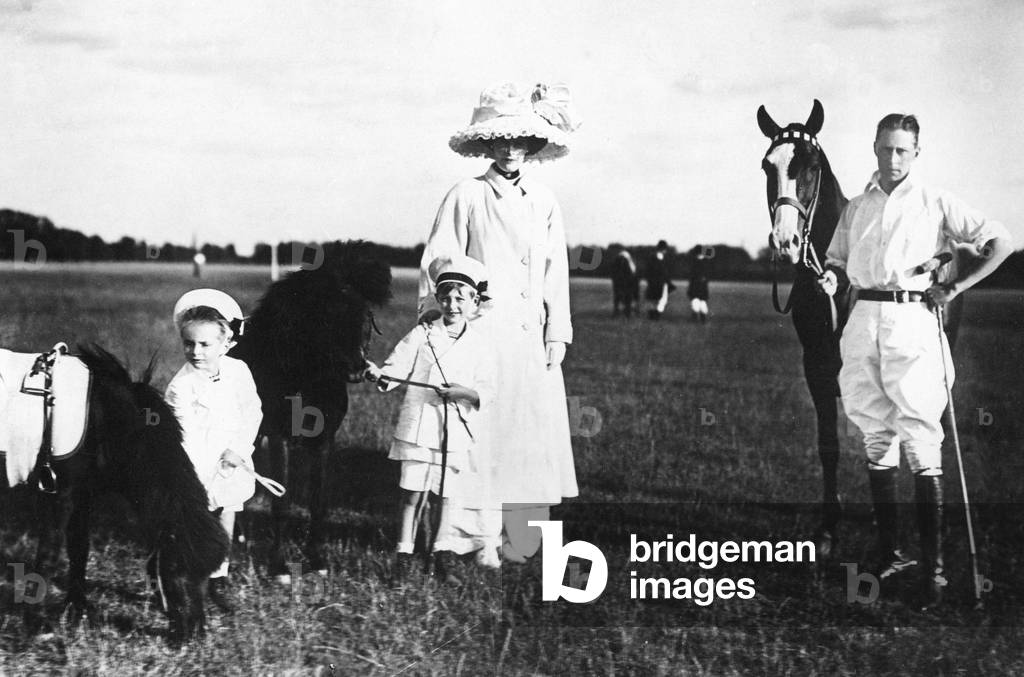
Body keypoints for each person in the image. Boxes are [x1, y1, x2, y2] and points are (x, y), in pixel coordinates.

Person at [819, 113, 1012, 607]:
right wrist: (832, 278)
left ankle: (934, 572)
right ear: (874, 148)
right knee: (874, 434)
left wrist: (957, 286)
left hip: (913, 323)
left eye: (902, 150)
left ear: (916, 153)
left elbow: (1001, 242)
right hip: (862, 320)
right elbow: (838, 261)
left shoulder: (935, 202)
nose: (893, 158)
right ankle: (891, 554)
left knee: (922, 439)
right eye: (886, 148)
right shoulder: (857, 207)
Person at [419, 81, 580, 564]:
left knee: (529, 431)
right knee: (482, 431)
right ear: (486, 145)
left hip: (531, 336)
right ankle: (474, 536)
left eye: (519, 140)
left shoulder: (543, 200)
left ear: (531, 144)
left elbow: (555, 270)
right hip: (482, 334)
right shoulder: (467, 195)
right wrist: (449, 316)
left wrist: (557, 330)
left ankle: (522, 537)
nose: (510, 150)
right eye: (500, 140)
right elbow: (439, 260)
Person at [364, 255, 495, 584]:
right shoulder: (422, 334)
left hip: (455, 430)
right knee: (412, 493)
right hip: (419, 428)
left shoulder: (481, 345)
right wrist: (380, 374)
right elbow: (397, 366)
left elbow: (488, 389)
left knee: (444, 495)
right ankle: (403, 555)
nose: (452, 305)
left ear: (475, 303)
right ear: (437, 299)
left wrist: (464, 392)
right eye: (446, 298)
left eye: (461, 299)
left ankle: (439, 554)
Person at [165, 289, 263, 613]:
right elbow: (184, 437)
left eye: (205, 344)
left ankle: (219, 577)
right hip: (196, 464)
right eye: (189, 343)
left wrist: (239, 450)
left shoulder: (239, 371)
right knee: (197, 522)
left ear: (226, 343)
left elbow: (252, 412)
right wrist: (198, 476)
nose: (195, 351)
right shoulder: (181, 386)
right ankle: (190, 581)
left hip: (230, 460)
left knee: (227, 513)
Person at [644, 240, 676, 319]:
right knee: (662, 299)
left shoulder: (652, 257)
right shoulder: (664, 259)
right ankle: (656, 314)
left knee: (653, 299)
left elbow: (647, 271)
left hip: (653, 282)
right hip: (661, 282)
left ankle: (652, 314)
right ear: (664, 249)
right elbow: (665, 272)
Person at [611, 249, 640, 317]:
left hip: (620, 282)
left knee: (618, 297)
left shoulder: (617, 261)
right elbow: (633, 272)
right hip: (628, 282)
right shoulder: (628, 261)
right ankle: (628, 311)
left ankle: (618, 311)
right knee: (628, 297)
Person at [687, 246, 712, 323]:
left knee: (697, 303)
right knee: (701, 302)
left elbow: (691, 276)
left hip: (696, 286)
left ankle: (698, 317)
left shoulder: (693, 262)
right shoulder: (705, 262)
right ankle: (701, 318)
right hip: (701, 286)